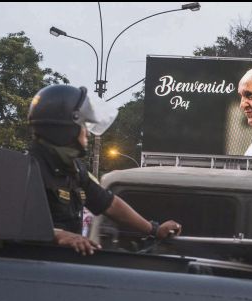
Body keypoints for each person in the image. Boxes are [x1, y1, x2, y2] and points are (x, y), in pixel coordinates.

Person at [27, 85, 181, 255]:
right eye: (83, 124)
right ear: (64, 129)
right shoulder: (26, 171)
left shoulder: (74, 169)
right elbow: (15, 224)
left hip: (63, 266)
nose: (87, 133)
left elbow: (109, 204)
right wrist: (58, 235)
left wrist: (153, 229)